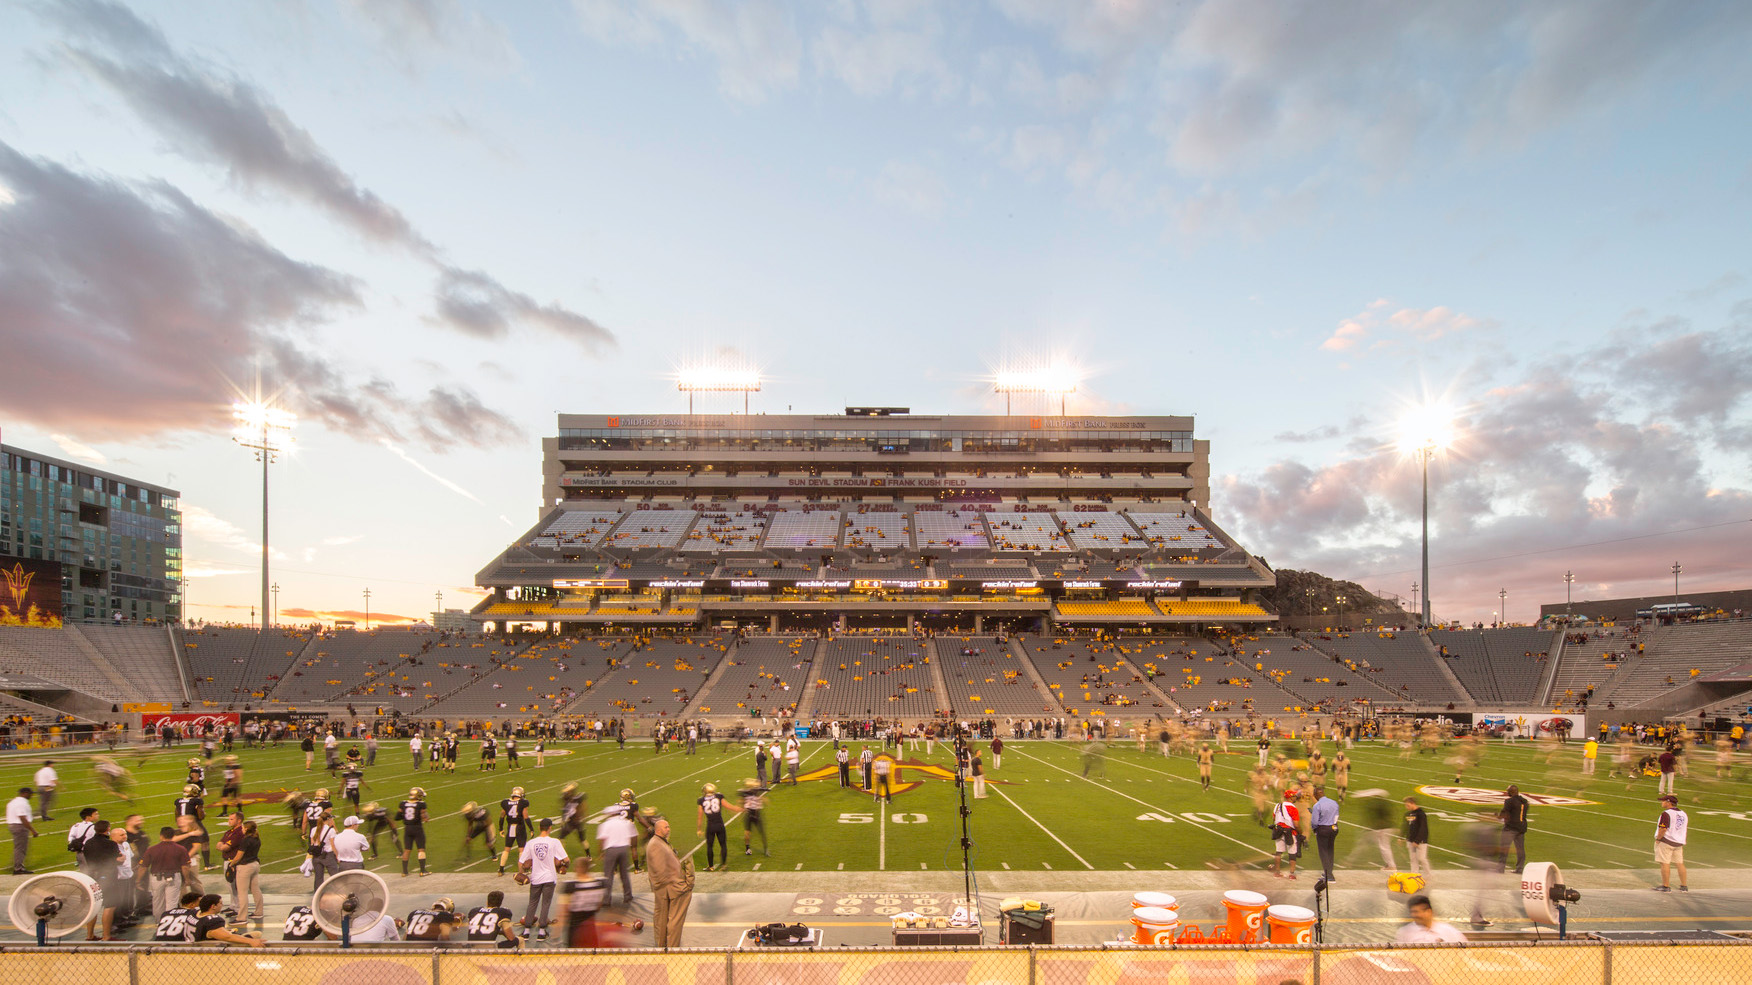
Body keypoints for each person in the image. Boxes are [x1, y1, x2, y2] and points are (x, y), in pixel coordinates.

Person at [645, 815, 694, 948]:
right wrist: (685, 883)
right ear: (659, 830)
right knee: (674, 921)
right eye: (666, 827)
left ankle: (663, 947)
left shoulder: (658, 842)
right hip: (672, 888)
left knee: (662, 920)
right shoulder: (656, 844)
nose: (669, 829)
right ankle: (671, 948)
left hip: (664, 888)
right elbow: (662, 870)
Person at [518, 817, 569, 939]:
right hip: (549, 878)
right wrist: (565, 867)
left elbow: (521, 862)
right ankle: (541, 932)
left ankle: (526, 931)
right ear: (550, 828)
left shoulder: (531, 843)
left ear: (539, 828)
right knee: (546, 904)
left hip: (535, 878)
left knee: (532, 903)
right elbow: (566, 860)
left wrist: (522, 874)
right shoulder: (554, 842)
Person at [140, 826, 190, 920]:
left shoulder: (152, 849)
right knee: (172, 902)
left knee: (158, 902)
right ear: (173, 836)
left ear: (161, 836)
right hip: (174, 877)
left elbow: (143, 867)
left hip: (156, 878)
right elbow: (185, 867)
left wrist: (138, 880)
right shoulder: (180, 848)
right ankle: (169, 923)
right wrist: (187, 879)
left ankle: (159, 923)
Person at [597, 802, 639, 906]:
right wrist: (632, 848)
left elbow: (602, 840)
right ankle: (628, 896)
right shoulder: (626, 822)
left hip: (611, 850)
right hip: (624, 849)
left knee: (608, 875)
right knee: (624, 874)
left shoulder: (605, 824)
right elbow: (634, 836)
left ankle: (606, 899)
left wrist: (601, 852)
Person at [696, 782, 740, 872]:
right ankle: (724, 865)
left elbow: (700, 816)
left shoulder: (701, 800)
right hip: (720, 824)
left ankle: (711, 866)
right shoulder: (719, 796)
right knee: (723, 845)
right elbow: (728, 806)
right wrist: (739, 809)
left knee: (709, 846)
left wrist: (699, 829)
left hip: (710, 826)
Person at [228, 819, 263, 920]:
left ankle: (241, 917)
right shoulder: (257, 838)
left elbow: (238, 857)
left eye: (243, 827)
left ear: (246, 829)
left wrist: (231, 864)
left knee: (242, 892)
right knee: (256, 890)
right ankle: (259, 912)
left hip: (245, 867)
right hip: (255, 865)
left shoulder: (245, 840)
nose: (242, 829)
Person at [1394, 895, 1467, 943]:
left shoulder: (1449, 931)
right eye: (1413, 912)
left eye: (1418, 912)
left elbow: (1465, 952)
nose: (1415, 915)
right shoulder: (1404, 933)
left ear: (1429, 911)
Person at [1654, 794, 1688, 892]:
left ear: (1668, 802)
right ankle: (1684, 886)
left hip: (1667, 841)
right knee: (1680, 863)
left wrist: (1658, 839)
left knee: (1665, 863)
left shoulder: (1666, 813)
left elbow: (1663, 828)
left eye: (1663, 801)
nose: (1662, 802)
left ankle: (1666, 886)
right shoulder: (1683, 813)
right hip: (1678, 842)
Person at [1311, 787, 1340, 883]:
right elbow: (1336, 816)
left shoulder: (1317, 805)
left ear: (1316, 794)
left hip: (1323, 829)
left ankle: (1329, 875)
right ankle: (1329, 872)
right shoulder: (1334, 802)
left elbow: (1314, 822)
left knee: (1323, 852)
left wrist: (1315, 829)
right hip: (1333, 827)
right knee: (1330, 850)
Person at [1271, 789, 1301, 879]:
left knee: (1278, 852)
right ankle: (1291, 874)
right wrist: (1300, 832)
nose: (1296, 797)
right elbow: (1296, 824)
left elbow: (1274, 818)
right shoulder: (1293, 808)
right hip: (1290, 831)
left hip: (1278, 830)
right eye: (1294, 796)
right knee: (1292, 852)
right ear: (1291, 797)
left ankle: (1277, 872)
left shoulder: (1277, 805)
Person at [1499, 785, 1529, 874]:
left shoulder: (1509, 801)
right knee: (1520, 849)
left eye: (1508, 791)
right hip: (1521, 827)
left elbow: (1504, 813)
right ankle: (1520, 868)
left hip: (1510, 828)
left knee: (1504, 848)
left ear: (1511, 792)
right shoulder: (1525, 802)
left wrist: (1498, 816)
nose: (1507, 793)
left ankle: (1500, 869)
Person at [400, 787, 430, 876]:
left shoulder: (403, 803)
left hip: (407, 828)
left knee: (407, 850)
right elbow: (425, 818)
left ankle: (404, 872)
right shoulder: (421, 804)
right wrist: (426, 817)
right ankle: (422, 871)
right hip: (417, 828)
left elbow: (399, 815)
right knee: (421, 849)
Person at [1403, 796, 1431, 879]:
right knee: (1413, 859)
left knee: (1422, 859)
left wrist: (1417, 840)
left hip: (1420, 841)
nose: (1406, 807)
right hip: (1411, 840)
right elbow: (1409, 826)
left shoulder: (1421, 814)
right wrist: (1406, 837)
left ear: (1412, 803)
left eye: (1407, 805)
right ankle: (1414, 874)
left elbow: (1423, 828)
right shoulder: (1410, 813)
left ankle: (1428, 875)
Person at [741, 778, 769, 858]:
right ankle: (750, 848)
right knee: (749, 832)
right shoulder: (752, 792)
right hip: (753, 814)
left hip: (752, 814)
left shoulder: (746, 792)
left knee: (757, 832)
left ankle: (762, 848)